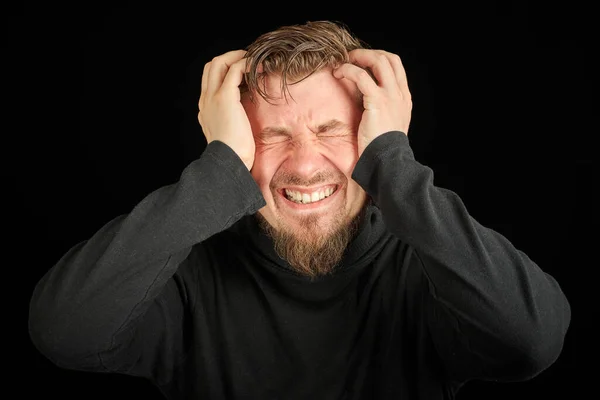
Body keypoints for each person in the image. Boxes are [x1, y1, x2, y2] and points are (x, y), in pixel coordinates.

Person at [28, 20, 571, 399]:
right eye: (271, 137)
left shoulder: (433, 263)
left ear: (374, 136)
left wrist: (396, 169)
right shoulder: (183, 267)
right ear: (234, 145)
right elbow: (65, 332)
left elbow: (530, 340)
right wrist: (217, 171)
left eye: (333, 130)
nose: (305, 164)